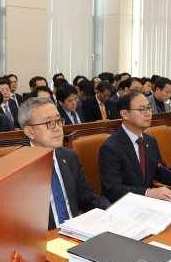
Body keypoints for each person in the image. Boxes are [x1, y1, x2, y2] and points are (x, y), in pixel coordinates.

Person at [19, 97, 111, 229]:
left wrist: (115, 211)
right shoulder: (18, 167)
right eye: (48, 123)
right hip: (41, 241)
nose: (57, 128)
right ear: (29, 131)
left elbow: (87, 196)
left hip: (74, 232)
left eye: (58, 121)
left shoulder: (69, 156)